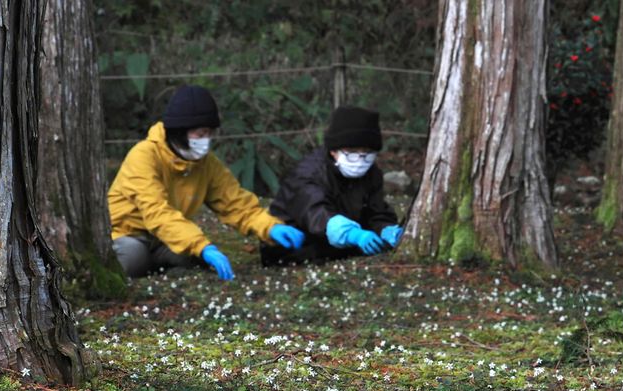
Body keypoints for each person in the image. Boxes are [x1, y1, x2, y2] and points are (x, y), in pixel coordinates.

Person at [108, 85, 305, 279]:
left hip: (165, 239)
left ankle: (161, 263)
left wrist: (270, 227)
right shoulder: (143, 156)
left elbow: (235, 203)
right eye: (200, 134)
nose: (206, 140)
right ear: (180, 131)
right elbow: (157, 212)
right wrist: (201, 245)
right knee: (134, 258)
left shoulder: (207, 164)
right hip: (127, 233)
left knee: (195, 258)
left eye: (209, 133)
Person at [260, 105, 403, 266]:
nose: (360, 160)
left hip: (338, 244)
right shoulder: (309, 173)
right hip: (294, 244)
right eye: (352, 152)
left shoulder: (371, 174)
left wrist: (386, 229)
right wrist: (352, 234)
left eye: (367, 153)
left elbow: (376, 211)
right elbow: (314, 211)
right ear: (333, 150)